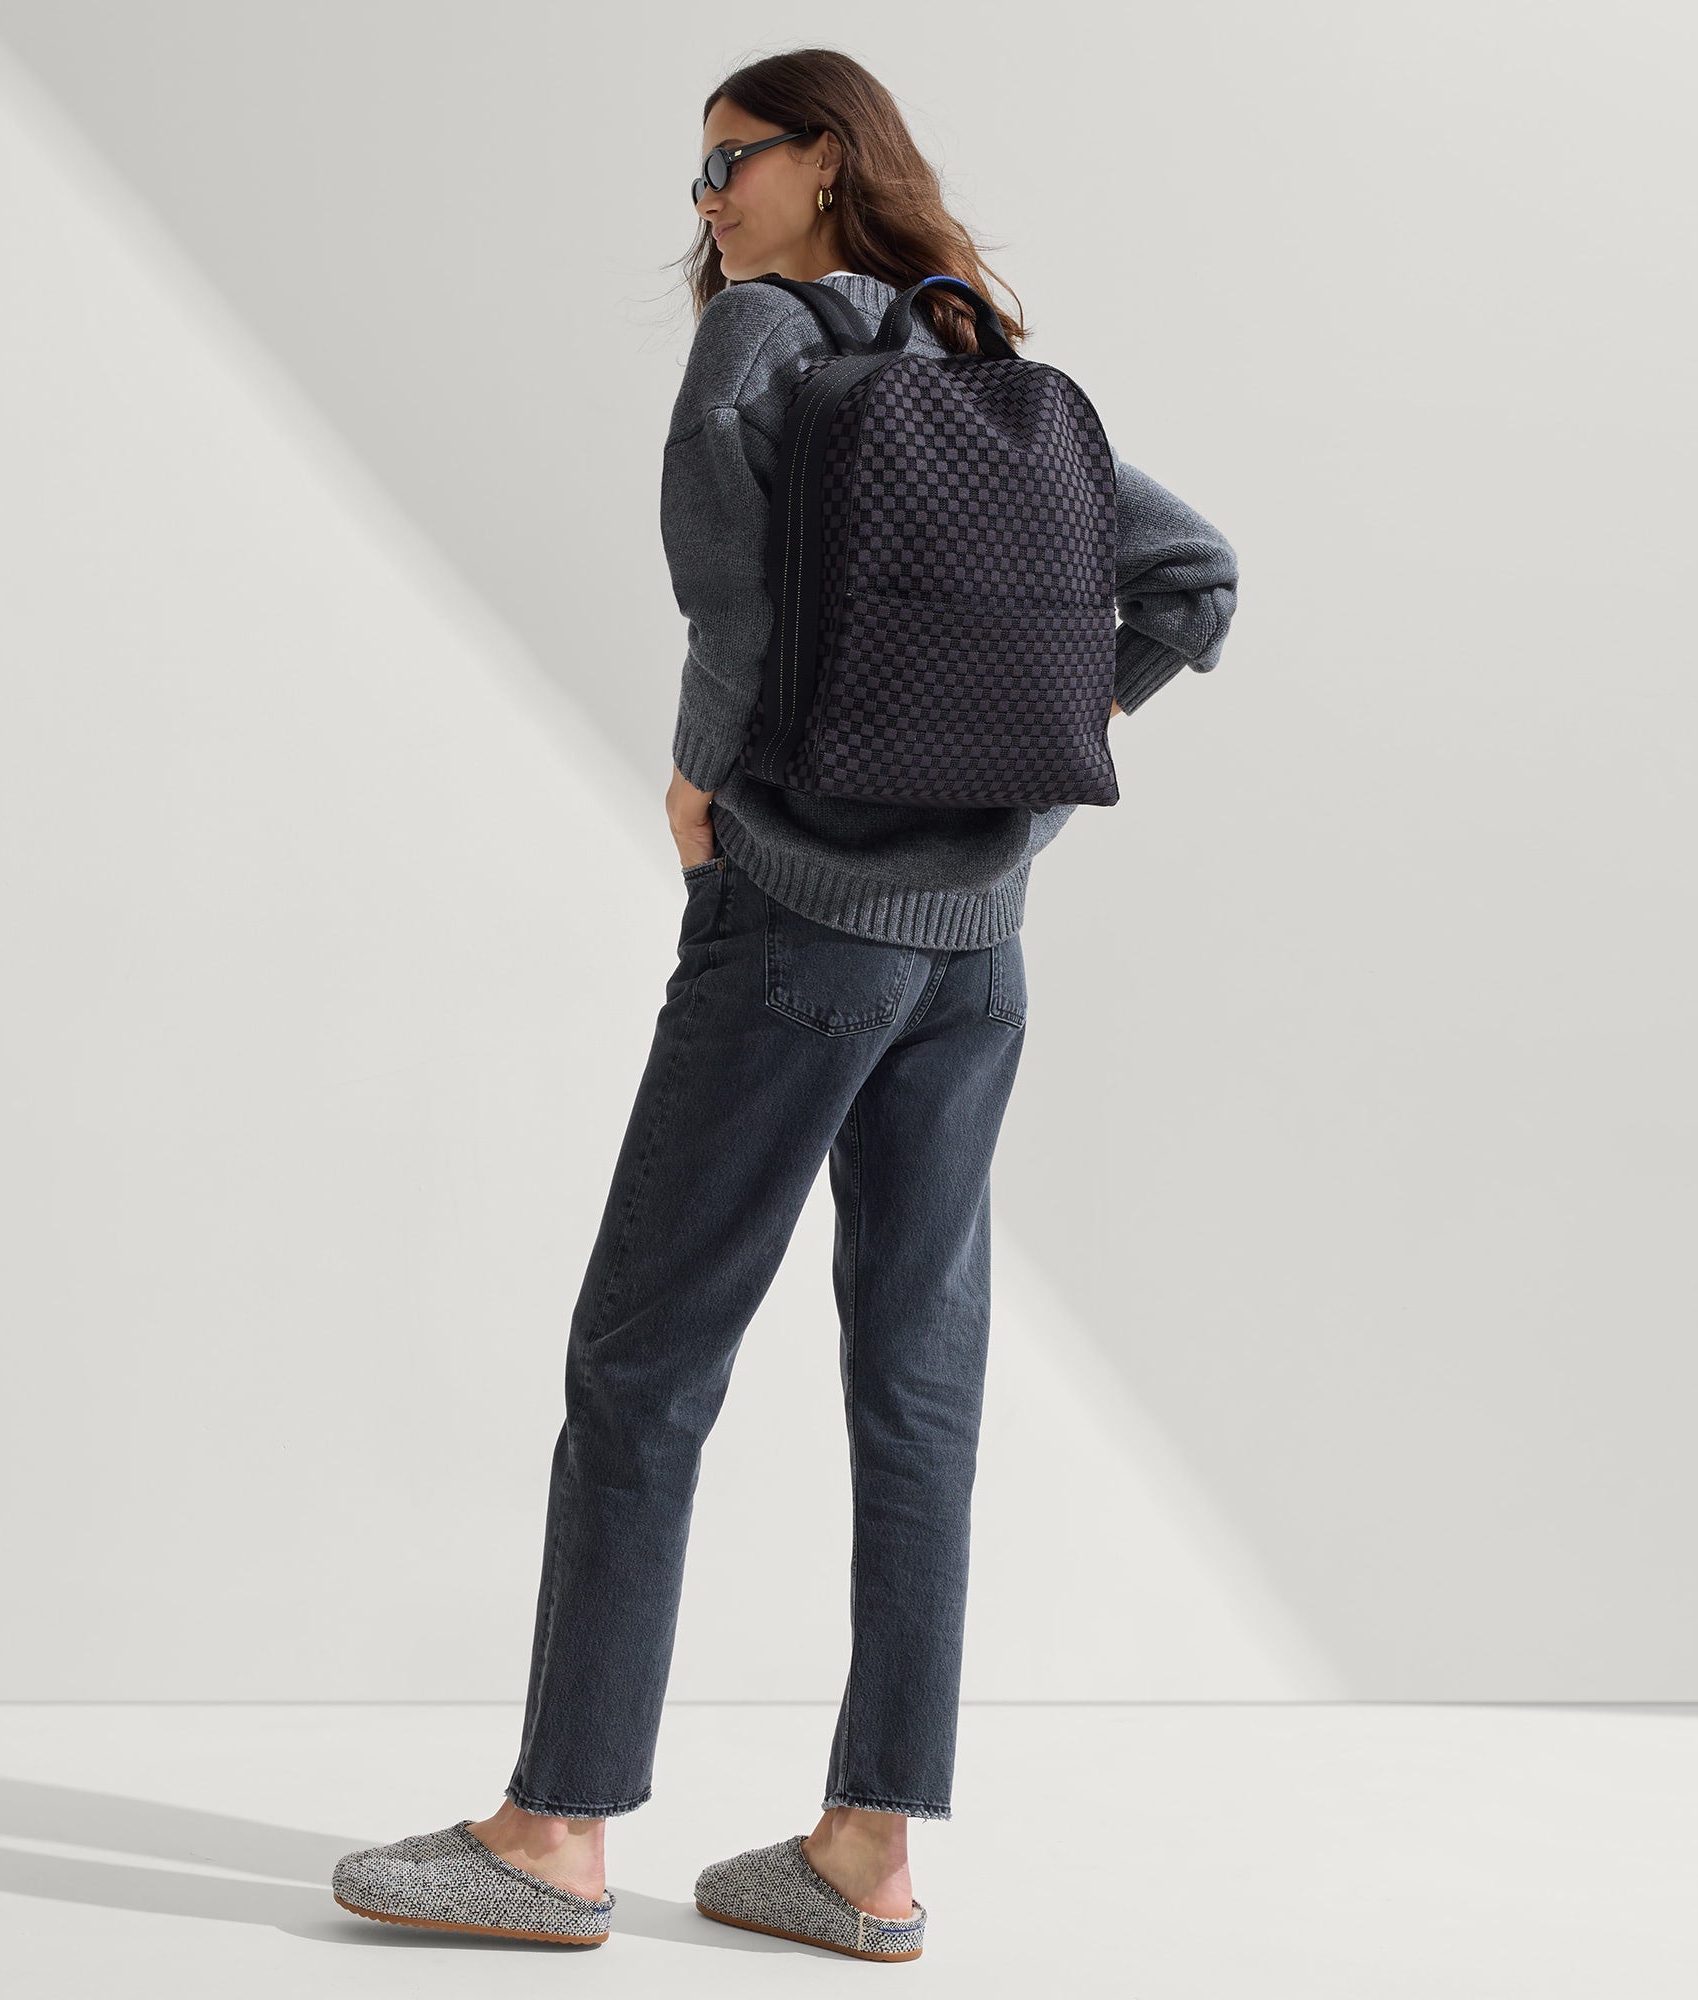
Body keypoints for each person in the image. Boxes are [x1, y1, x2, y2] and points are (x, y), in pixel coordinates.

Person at [331, 47, 1238, 1962]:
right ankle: (865, 1856)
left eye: (731, 163)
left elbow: (724, 608)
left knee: (644, 1361)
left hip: (797, 928)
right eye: (702, 176)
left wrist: (705, 791)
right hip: (974, 959)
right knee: (918, 1385)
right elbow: (1192, 579)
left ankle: (556, 1830)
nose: (708, 204)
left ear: (828, 159)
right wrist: (1013, 790)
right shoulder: (981, 361)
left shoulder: (758, 342)